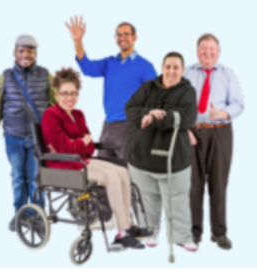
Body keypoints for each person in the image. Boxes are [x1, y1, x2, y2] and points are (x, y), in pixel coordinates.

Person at [41, 68, 153, 249]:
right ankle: (121, 232)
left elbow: (91, 146)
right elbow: (64, 149)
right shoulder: (50, 115)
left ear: (77, 93)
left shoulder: (78, 115)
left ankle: (130, 227)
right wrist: (80, 141)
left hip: (82, 159)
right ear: (56, 93)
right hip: (64, 165)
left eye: (73, 93)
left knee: (123, 172)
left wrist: (76, 142)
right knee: (111, 178)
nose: (69, 98)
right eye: (64, 93)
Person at [65, 16, 157, 225]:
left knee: (129, 174)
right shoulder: (110, 63)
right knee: (102, 172)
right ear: (116, 39)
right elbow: (87, 67)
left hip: (130, 127)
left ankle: (139, 222)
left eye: (126, 34)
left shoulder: (145, 66)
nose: (122, 37)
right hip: (108, 126)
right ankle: (105, 217)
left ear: (134, 38)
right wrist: (78, 41)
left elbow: (155, 97)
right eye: (119, 34)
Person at [125, 52, 198, 251]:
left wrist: (158, 118)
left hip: (173, 161)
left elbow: (188, 117)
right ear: (162, 68)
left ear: (182, 71)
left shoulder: (187, 91)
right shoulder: (148, 87)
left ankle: (182, 236)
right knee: (147, 197)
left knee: (178, 200)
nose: (171, 72)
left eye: (175, 67)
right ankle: (150, 231)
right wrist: (147, 113)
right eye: (168, 67)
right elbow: (130, 108)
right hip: (141, 158)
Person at [0, 35, 56, 232]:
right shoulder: (6, 76)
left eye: (29, 51)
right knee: (18, 178)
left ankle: (38, 217)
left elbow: (55, 106)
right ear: (15, 52)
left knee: (35, 178)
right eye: (21, 51)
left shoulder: (46, 75)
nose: (25, 55)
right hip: (13, 137)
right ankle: (19, 215)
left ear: (35, 53)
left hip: (37, 138)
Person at [184, 34, 244, 249]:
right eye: (203, 49)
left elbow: (238, 103)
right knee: (193, 184)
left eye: (212, 49)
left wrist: (224, 113)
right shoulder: (187, 73)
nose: (207, 53)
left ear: (218, 52)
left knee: (219, 184)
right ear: (197, 51)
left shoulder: (228, 75)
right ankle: (194, 232)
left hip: (220, 132)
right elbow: (177, 103)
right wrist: (184, 129)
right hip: (192, 133)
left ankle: (219, 233)